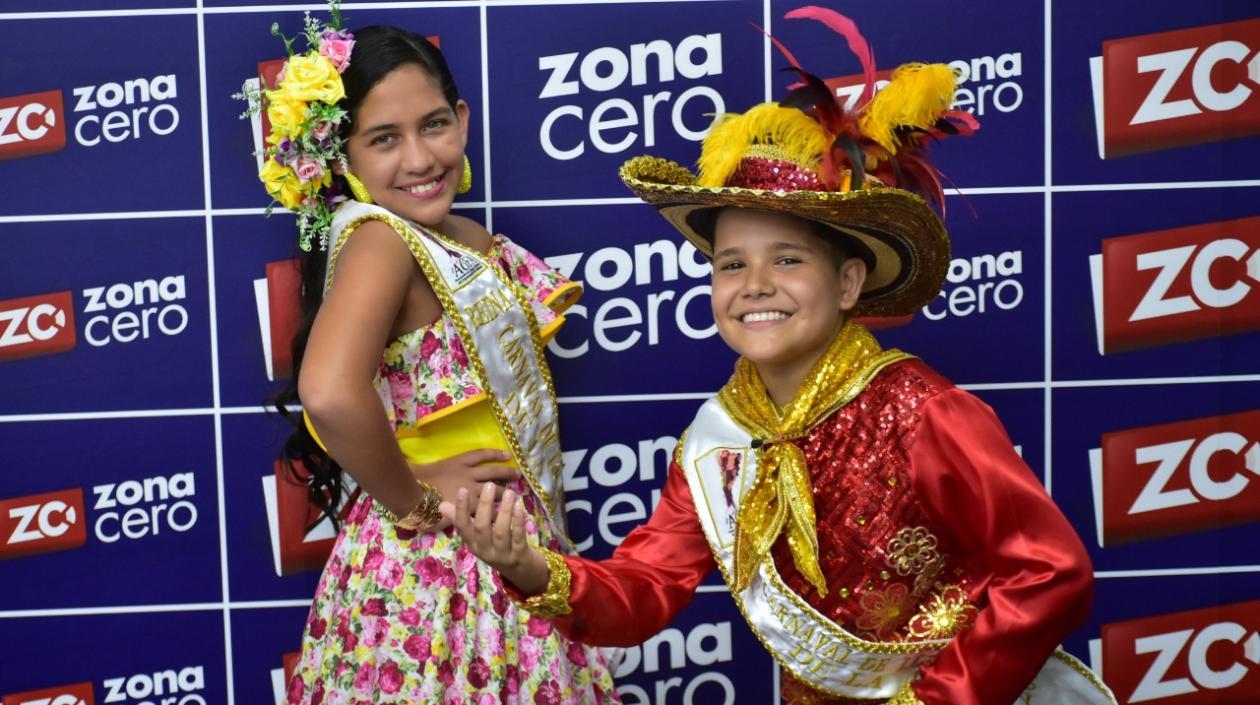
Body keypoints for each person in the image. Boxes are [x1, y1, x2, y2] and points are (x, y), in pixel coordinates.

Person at [441, 7, 1118, 705]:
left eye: (787, 258)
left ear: (848, 281)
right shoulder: (717, 439)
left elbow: (1050, 570)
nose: (755, 284)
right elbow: (645, 589)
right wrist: (531, 566)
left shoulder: (922, 410)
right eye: (731, 264)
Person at [247, 7, 619, 704]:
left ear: (464, 120)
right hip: (434, 575)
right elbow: (327, 390)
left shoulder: (466, 239)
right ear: (344, 157)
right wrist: (416, 501)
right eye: (384, 139)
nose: (419, 159)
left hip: (506, 550)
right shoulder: (383, 242)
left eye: (435, 125)